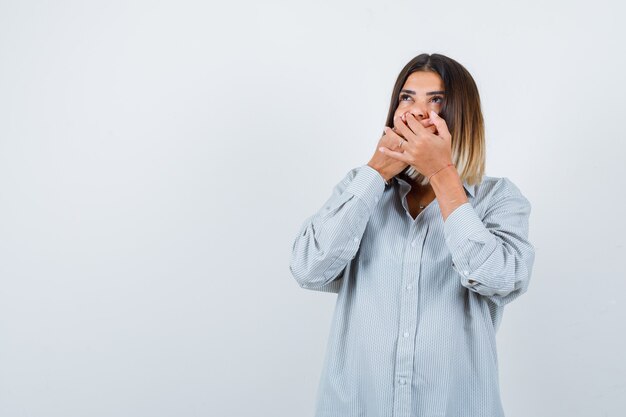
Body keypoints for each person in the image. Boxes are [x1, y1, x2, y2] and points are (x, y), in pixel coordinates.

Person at [288, 53, 535, 417]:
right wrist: (375, 171)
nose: (418, 112)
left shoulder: (498, 198)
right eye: (407, 98)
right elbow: (308, 268)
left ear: (462, 115)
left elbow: (504, 280)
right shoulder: (360, 188)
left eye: (436, 100)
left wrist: (444, 174)